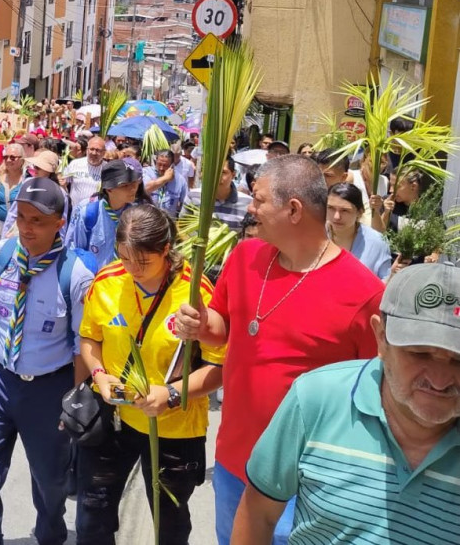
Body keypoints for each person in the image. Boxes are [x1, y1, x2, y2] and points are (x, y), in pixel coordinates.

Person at [175, 155, 385, 545]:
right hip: (235, 462)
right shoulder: (245, 257)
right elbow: (222, 328)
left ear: (293, 210)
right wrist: (201, 324)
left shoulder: (364, 294)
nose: (250, 208)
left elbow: (377, 393)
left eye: (258, 199)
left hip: (306, 479)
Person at [232, 263, 460, 545]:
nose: (440, 380)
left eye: (458, 359)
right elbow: (259, 512)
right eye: (420, 354)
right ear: (381, 339)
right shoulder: (316, 399)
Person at [0, 176, 96, 545]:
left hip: (49, 389)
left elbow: (82, 344)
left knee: (51, 480)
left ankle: (51, 533)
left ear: (59, 223)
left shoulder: (76, 275)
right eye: (21, 217)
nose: (26, 227)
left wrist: (76, 400)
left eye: (38, 221)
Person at [77, 204, 225, 545]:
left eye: (142, 262)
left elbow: (218, 368)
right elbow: (89, 338)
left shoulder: (196, 292)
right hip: (114, 419)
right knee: (93, 514)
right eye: (124, 258)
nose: (132, 269)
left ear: (165, 249)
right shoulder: (107, 280)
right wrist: (99, 375)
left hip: (173, 427)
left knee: (168, 522)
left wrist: (171, 394)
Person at [66, 158, 146, 269]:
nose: (133, 189)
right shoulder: (88, 213)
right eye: (125, 185)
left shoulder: (138, 215)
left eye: (134, 183)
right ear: (109, 189)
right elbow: (75, 252)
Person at [326, 182, 391, 280]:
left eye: (345, 210)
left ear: (359, 212)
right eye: (331, 208)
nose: (336, 217)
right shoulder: (314, 237)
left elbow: (385, 283)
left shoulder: (377, 242)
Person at [1, 150, 68, 239]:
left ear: (49, 171)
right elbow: (13, 213)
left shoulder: (60, 193)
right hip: (20, 235)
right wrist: (4, 237)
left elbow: (62, 223)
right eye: (34, 166)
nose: (34, 169)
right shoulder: (27, 183)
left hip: (45, 239)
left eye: (38, 167)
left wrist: (60, 243)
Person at [185, 156, 252, 233]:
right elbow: (182, 226)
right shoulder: (193, 196)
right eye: (213, 171)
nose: (217, 176)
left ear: (233, 175)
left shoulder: (248, 203)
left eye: (223, 172)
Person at [64, 136, 105, 208]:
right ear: (87, 150)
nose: (94, 153)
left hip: (95, 211)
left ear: (104, 152)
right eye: (91, 149)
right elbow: (64, 183)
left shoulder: (107, 169)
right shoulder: (75, 164)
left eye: (98, 150)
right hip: (74, 210)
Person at [144, 150, 187, 217]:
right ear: (156, 161)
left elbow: (184, 203)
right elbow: (146, 189)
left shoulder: (180, 180)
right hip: (148, 219)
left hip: (169, 220)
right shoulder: (147, 172)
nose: (161, 168)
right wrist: (166, 178)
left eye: (165, 165)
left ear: (172, 165)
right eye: (159, 164)